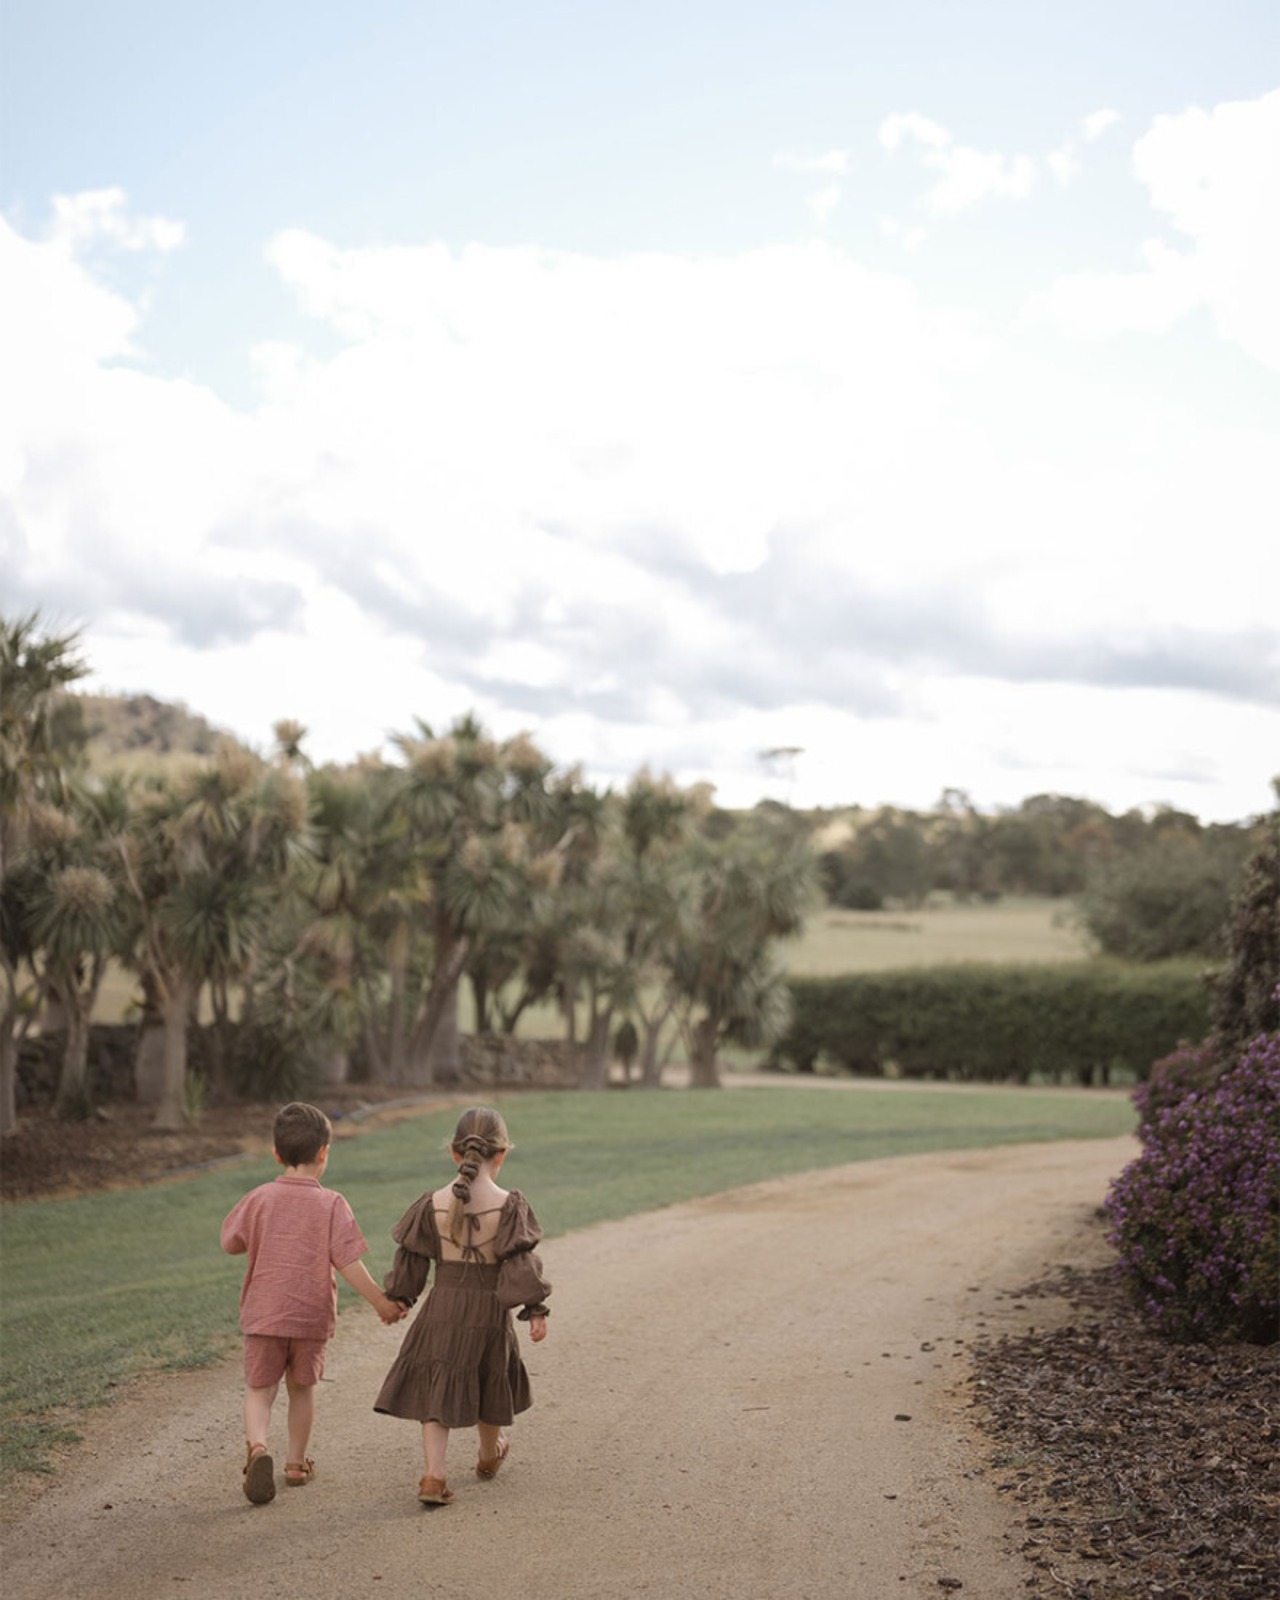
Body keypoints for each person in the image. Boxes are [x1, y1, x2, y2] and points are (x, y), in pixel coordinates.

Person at [221, 1101, 406, 1505]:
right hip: (310, 1318)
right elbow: (348, 1261)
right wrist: (380, 1302)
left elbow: (229, 1242)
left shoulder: (259, 1198)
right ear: (324, 1153)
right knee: (302, 1390)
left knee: (259, 1390)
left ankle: (257, 1448)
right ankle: (295, 1464)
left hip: (264, 1315)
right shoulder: (332, 1203)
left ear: (276, 1154)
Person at [374, 1105, 551, 1506]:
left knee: (437, 1384)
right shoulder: (509, 1204)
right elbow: (520, 1263)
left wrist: (400, 1297)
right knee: (490, 1378)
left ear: (454, 1152)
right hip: (489, 1312)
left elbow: (412, 1261)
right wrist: (535, 1310)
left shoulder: (432, 1203)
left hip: (442, 1309)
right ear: (501, 1155)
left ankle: (433, 1475)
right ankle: (489, 1455)